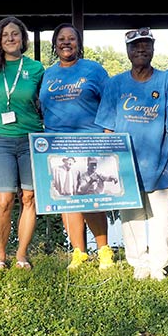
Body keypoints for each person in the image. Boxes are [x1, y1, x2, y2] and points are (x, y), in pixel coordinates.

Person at [95, 27, 168, 281]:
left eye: (146, 45)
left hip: (162, 164)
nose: (141, 50)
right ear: (127, 51)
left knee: (163, 217)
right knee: (131, 217)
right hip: (126, 166)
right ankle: (138, 262)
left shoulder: (165, 81)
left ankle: (158, 264)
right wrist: (107, 164)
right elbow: (107, 127)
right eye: (135, 46)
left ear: (153, 49)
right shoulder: (115, 84)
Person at [39, 23, 114, 271]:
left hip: (89, 142)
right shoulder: (48, 74)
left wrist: (108, 135)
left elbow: (109, 102)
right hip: (58, 145)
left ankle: (104, 250)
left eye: (71, 38)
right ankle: (79, 252)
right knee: (67, 198)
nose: (66, 42)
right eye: (61, 39)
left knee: (91, 197)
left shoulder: (93, 70)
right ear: (55, 44)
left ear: (78, 44)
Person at [0, 16, 44, 270]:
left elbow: (46, 101)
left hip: (30, 140)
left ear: (22, 38)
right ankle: (0, 255)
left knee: (29, 197)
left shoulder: (36, 68)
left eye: (15, 34)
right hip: (0, 141)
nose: (10, 38)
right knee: (4, 200)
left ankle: (21, 254)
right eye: (5, 34)